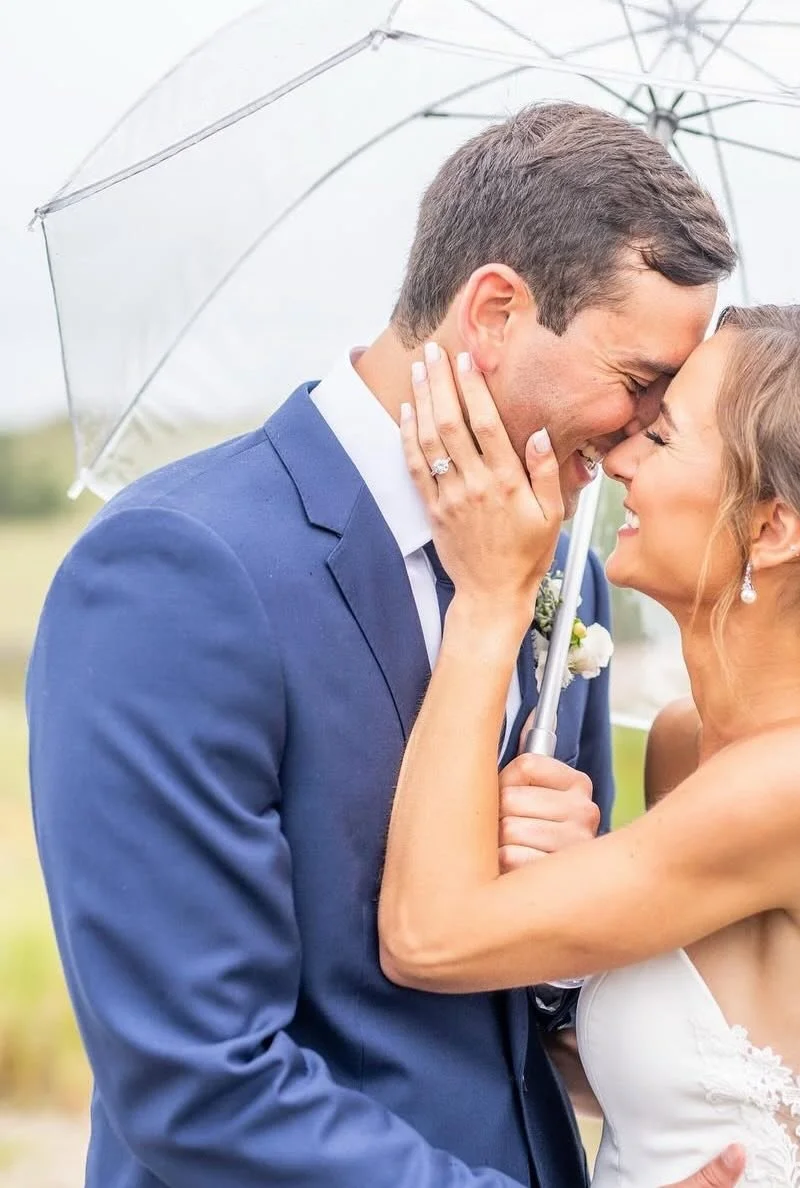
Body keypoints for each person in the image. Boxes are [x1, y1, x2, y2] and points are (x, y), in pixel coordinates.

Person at [27, 104, 744, 1187]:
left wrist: (561, 892)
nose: (646, 430)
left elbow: (536, 1006)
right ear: (495, 309)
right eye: (639, 380)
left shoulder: (565, 573)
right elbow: (197, 1084)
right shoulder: (176, 572)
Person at [378, 304, 800, 1185]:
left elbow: (428, 937)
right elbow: (659, 1076)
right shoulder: (685, 742)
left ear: (773, 529)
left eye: (664, 438)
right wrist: (557, 886)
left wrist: (490, 602)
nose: (622, 458)